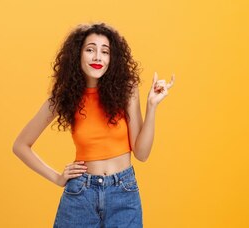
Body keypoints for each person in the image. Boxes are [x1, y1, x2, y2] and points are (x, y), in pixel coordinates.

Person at [12, 22, 174, 228]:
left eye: (104, 52)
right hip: (81, 194)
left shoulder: (126, 91)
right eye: (90, 50)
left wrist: (152, 107)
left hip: (123, 193)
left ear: (111, 59)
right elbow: (20, 145)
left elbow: (141, 154)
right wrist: (57, 178)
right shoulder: (64, 98)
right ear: (77, 55)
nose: (98, 57)